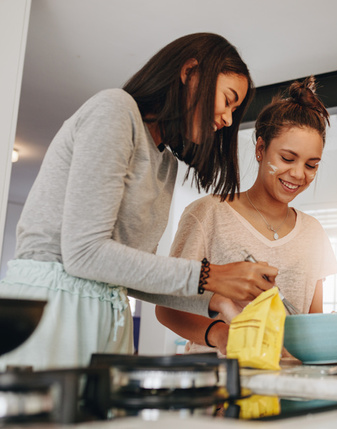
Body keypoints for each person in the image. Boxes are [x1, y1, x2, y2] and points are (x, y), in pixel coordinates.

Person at [0, 33, 279, 370]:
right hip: (50, 310)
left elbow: (131, 273)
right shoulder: (115, 110)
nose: (228, 120)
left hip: (107, 315)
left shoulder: (165, 164)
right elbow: (84, 254)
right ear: (190, 71)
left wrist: (216, 300)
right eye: (228, 100)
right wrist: (211, 275)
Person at [155, 77, 337, 356]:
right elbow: (167, 307)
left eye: (311, 165)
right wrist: (219, 335)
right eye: (288, 159)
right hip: (217, 381)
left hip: (289, 382)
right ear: (260, 149)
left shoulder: (314, 232)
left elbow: (312, 321)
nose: (299, 174)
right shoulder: (208, 213)